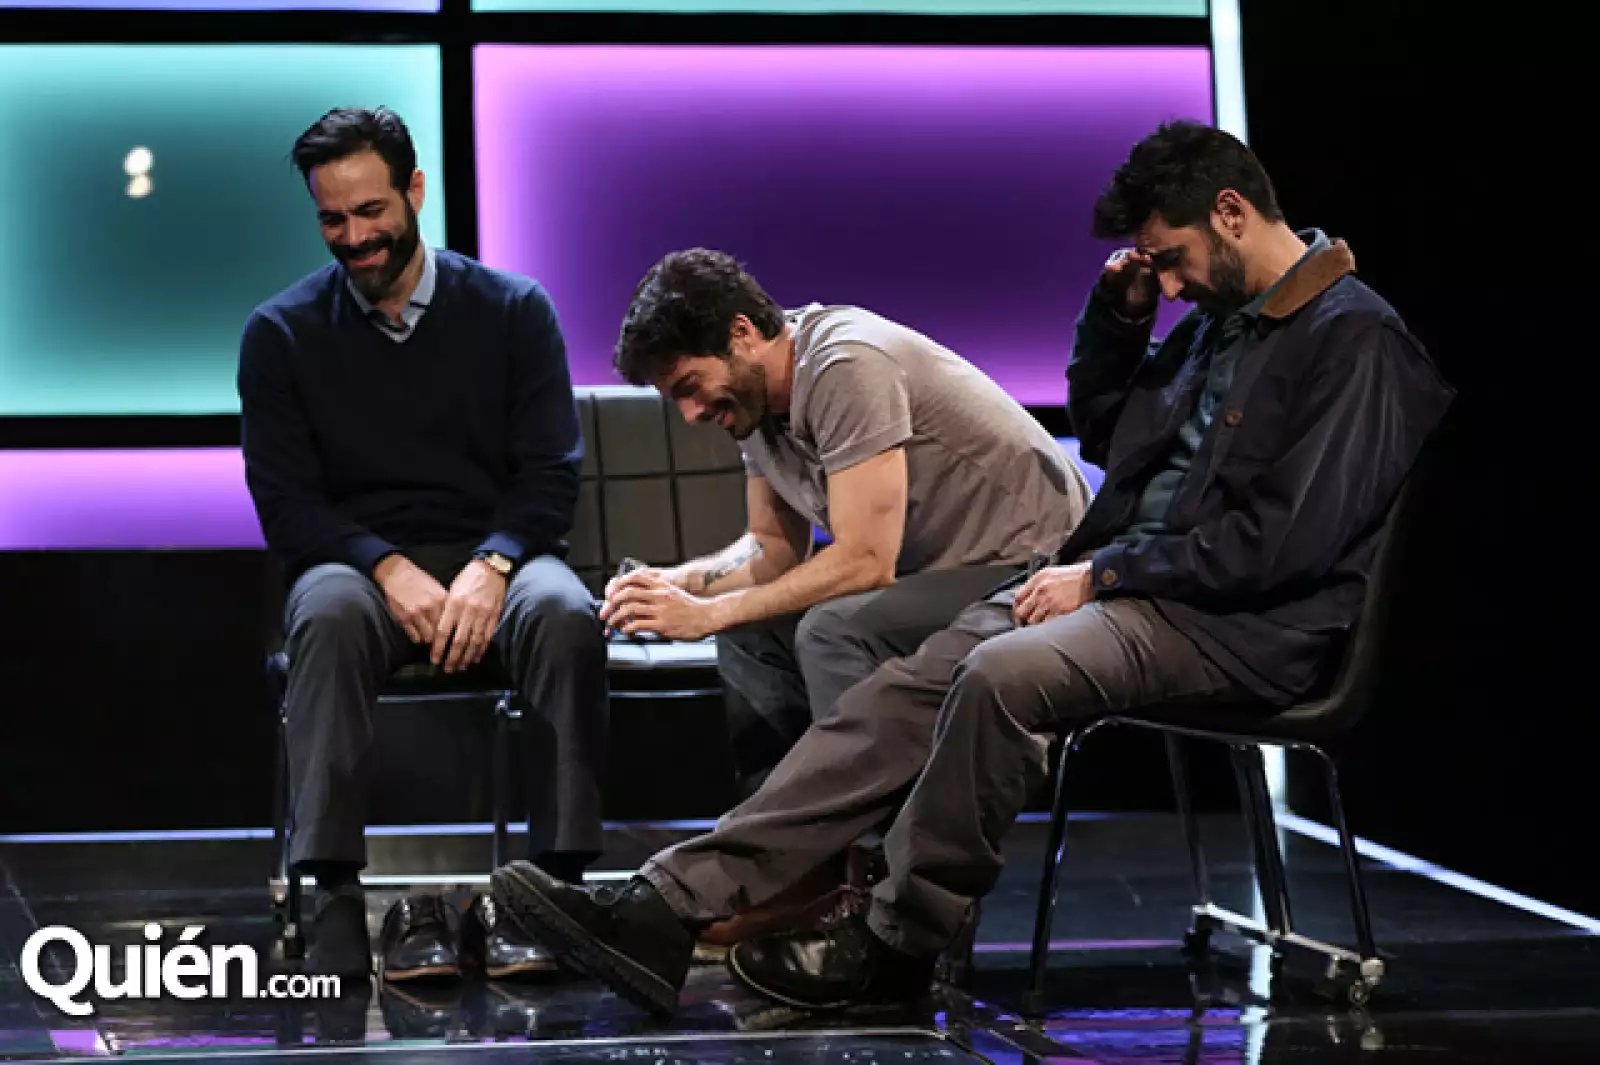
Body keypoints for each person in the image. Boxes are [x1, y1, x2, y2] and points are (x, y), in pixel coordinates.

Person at [486, 120, 1455, 1016]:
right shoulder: (1220, 327)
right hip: (1134, 592)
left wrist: (1107, 577)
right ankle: (664, 908)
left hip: (1237, 626)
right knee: (910, 683)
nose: (1165, 285)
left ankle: (894, 946)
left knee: (992, 675)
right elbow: (1121, 443)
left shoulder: (1354, 340)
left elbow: (1285, 546)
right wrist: (1115, 325)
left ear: (1232, 214)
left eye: (1168, 260)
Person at [598, 249, 1092, 950]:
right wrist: (670, 583)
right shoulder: (756, 411)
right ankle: (803, 874)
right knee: (754, 633)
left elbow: (866, 558)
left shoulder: (844, 364)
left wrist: (705, 614)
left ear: (740, 334)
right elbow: (771, 551)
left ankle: (880, 883)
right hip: (943, 574)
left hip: (1033, 565)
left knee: (834, 630)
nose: (689, 412)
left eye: (688, 385)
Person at [238, 107, 606, 983]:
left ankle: (554, 887)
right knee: (323, 614)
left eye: (372, 212)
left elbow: (550, 475)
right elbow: (287, 504)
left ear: (414, 190)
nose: (356, 237)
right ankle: (328, 893)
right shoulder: (281, 334)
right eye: (334, 219)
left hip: (498, 557)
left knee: (564, 613)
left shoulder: (514, 311)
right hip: (357, 568)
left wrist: (493, 563)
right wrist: (387, 565)